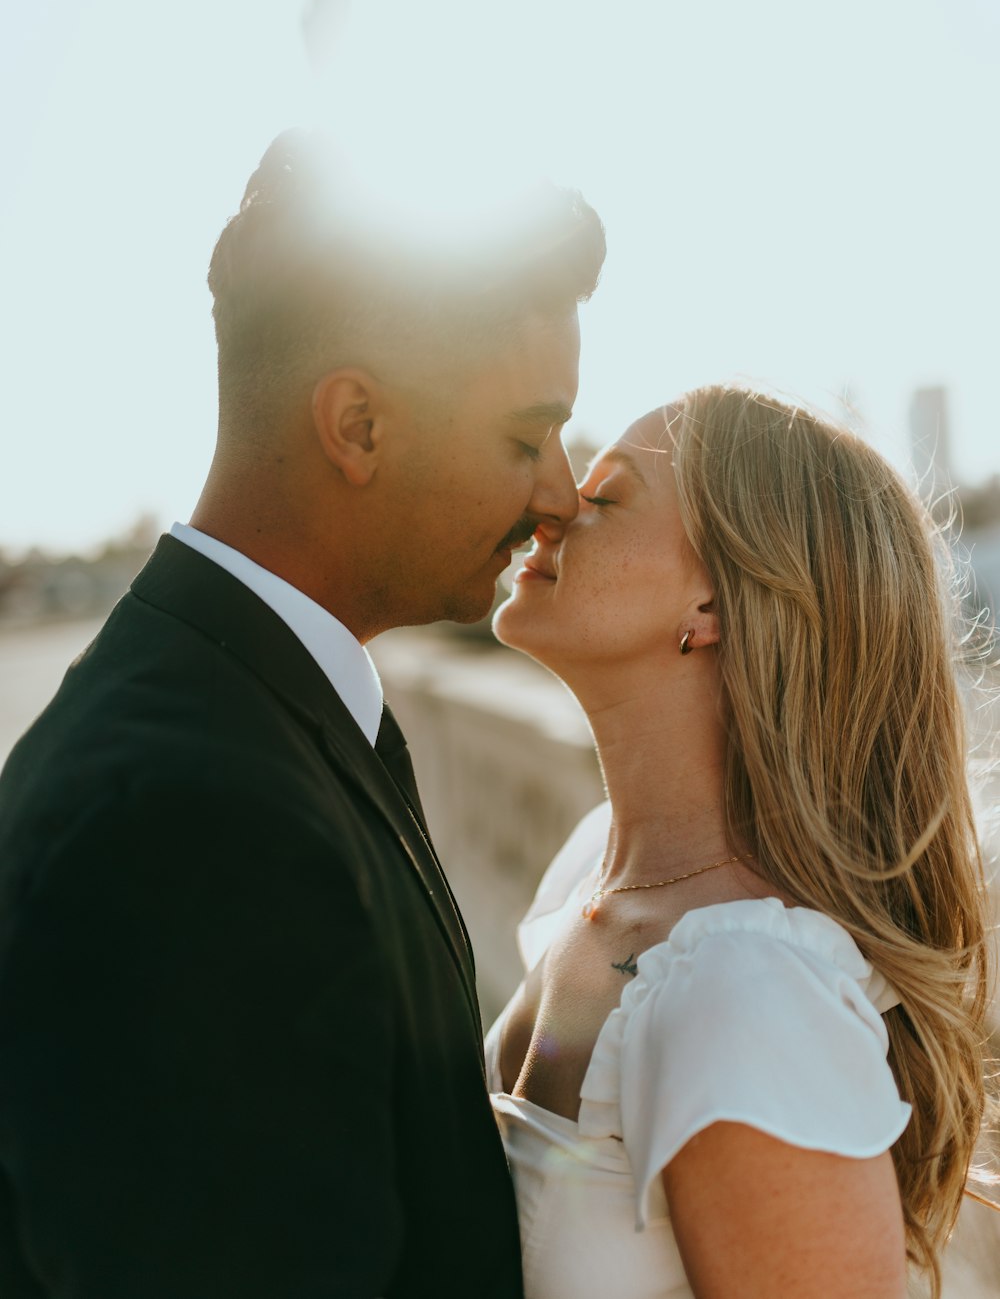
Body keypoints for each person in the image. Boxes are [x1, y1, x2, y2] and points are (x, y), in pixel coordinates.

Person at [0, 132, 605, 1298]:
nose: (559, 493)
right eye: (525, 435)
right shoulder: (191, 830)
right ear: (358, 427)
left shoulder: (247, 706)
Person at [488, 386, 993, 1299]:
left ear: (712, 599)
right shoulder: (595, 870)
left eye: (605, 499)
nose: (551, 506)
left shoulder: (746, 994)